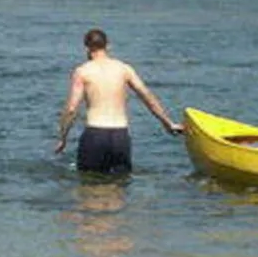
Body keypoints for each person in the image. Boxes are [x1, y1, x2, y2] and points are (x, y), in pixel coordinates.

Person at [55, 28, 183, 175]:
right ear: (108, 45)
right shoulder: (124, 69)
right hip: (120, 136)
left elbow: (72, 108)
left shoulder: (83, 71)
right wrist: (168, 123)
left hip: (95, 135)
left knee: (89, 189)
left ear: (86, 47)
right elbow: (147, 96)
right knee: (119, 189)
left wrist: (63, 138)